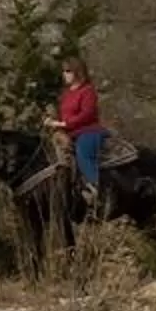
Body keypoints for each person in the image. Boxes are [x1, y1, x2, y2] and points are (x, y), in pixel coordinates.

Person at [51, 56, 105, 209]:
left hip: (88, 131)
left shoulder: (88, 91)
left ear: (77, 72)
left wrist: (65, 123)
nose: (65, 74)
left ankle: (95, 188)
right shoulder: (66, 94)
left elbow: (87, 114)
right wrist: (52, 121)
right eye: (63, 71)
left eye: (68, 71)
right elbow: (64, 115)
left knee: (83, 152)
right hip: (70, 133)